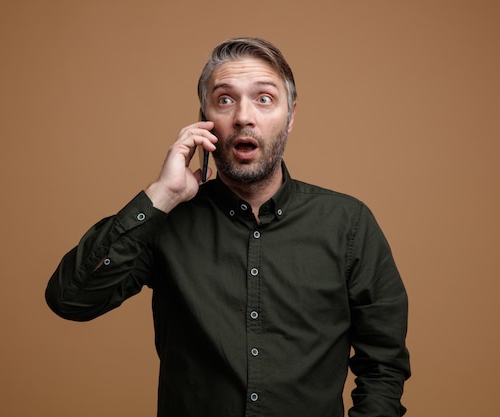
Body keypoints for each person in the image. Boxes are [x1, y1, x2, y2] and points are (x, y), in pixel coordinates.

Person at [46, 37, 410, 417]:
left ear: (291, 116)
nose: (243, 117)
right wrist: (160, 196)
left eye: (264, 99)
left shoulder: (348, 224)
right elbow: (71, 299)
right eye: (224, 100)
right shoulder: (167, 220)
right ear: (204, 120)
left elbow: (383, 365)